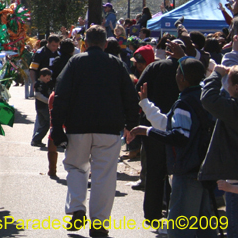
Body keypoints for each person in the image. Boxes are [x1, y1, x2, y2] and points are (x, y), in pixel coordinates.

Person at [51, 25, 140, 237]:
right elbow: (130, 96)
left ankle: (77, 208)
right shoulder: (117, 64)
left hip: (78, 126)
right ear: (106, 44)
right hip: (109, 129)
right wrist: (131, 124)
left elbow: (61, 95)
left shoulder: (75, 62)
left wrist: (56, 126)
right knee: (104, 175)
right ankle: (99, 223)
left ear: (85, 43)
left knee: (76, 167)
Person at [130, 57, 216, 238]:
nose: (175, 75)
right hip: (204, 169)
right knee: (204, 229)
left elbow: (179, 136)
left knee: (180, 229)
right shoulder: (202, 98)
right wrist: (146, 105)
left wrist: (148, 132)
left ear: (183, 78)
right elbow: (167, 124)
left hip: (187, 172)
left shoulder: (184, 104)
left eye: (178, 72)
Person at [133, 38, 183, 225]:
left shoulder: (155, 68)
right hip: (179, 126)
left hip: (152, 125)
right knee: (176, 171)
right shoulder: (188, 68)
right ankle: (172, 210)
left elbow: (139, 90)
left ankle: (152, 213)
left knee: (155, 170)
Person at [198, 63, 238, 238]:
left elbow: (208, 99)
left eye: (227, 82)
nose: (225, 86)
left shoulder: (234, 109)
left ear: (236, 88)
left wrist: (215, 74)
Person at [31, 68, 53, 147]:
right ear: (42, 76)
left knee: (43, 124)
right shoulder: (39, 84)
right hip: (43, 107)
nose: (48, 80)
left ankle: (37, 140)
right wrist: (49, 101)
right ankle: (36, 139)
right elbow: (38, 95)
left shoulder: (45, 84)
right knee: (46, 124)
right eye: (47, 78)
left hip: (41, 107)